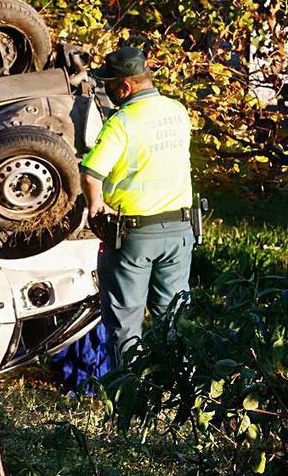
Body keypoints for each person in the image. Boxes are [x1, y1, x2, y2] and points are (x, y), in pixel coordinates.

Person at [79, 46, 195, 363]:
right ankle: (176, 397)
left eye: (109, 85)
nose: (107, 91)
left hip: (133, 236)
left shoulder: (122, 122)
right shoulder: (178, 112)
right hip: (179, 231)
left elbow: (91, 175)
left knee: (125, 325)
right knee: (173, 321)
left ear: (125, 86)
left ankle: (127, 402)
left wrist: (96, 207)